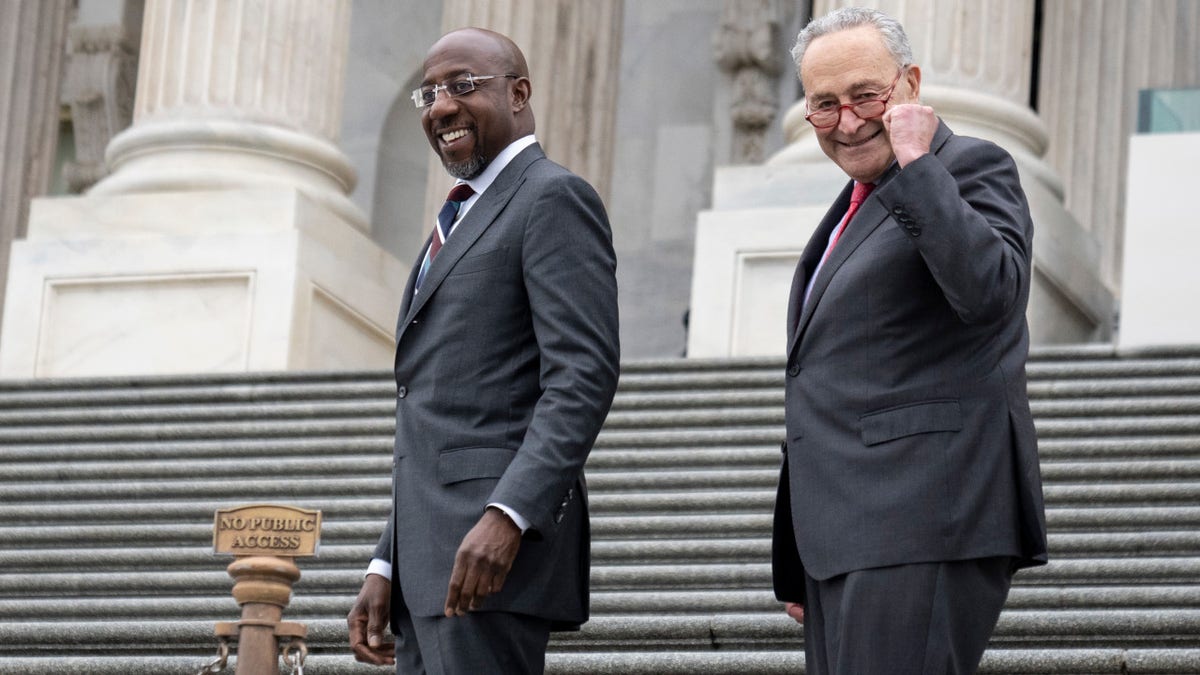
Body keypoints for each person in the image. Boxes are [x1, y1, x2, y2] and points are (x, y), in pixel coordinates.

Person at [771, 7, 1048, 674]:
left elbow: (991, 293)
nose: (847, 121)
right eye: (824, 105)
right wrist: (800, 552)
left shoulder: (970, 167)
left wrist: (917, 162)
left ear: (912, 84)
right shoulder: (852, 205)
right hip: (847, 538)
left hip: (924, 516)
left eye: (866, 95)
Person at [346, 27, 620, 674]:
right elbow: (435, 412)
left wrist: (510, 514)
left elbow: (582, 374)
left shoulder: (552, 197)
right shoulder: (461, 215)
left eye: (463, 85)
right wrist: (388, 557)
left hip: (492, 555)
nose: (441, 107)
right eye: (430, 92)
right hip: (427, 560)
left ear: (519, 93)